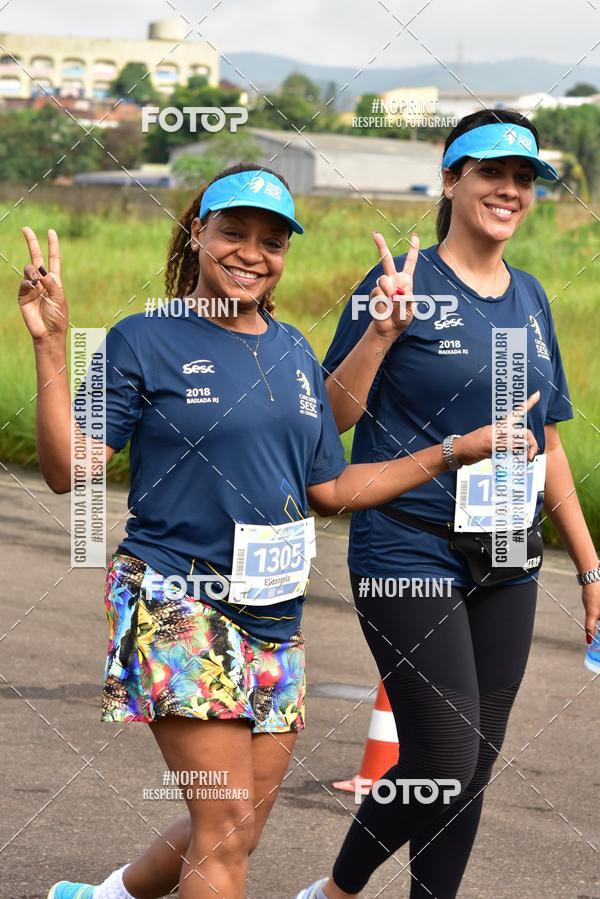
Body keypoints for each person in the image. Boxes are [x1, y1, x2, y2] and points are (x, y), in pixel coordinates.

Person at [17, 163, 523, 899]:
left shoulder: (290, 350)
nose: (252, 252)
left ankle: (108, 896)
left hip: (273, 616)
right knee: (223, 835)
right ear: (197, 232)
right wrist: (52, 347)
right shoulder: (140, 340)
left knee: (235, 827)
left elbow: (331, 487)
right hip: (175, 600)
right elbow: (70, 470)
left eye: (272, 240)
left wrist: (453, 447)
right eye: (233, 231)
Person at [297, 109, 600, 899]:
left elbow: (550, 441)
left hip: (507, 550)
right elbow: (329, 419)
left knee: (476, 761)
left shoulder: (531, 297)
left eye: (524, 178)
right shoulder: (404, 282)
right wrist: (380, 333)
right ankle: (336, 890)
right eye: (492, 172)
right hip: (409, 544)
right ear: (452, 178)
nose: (509, 190)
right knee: (444, 753)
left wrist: (592, 568)